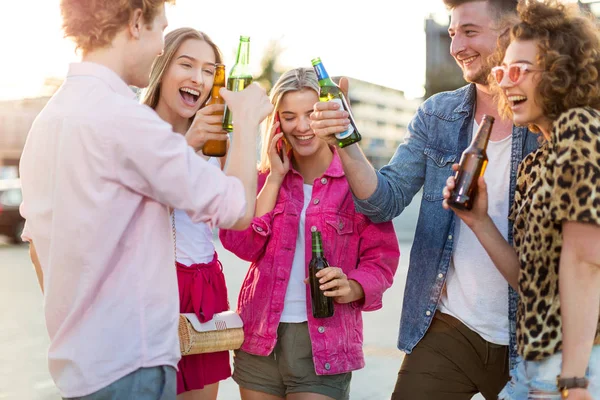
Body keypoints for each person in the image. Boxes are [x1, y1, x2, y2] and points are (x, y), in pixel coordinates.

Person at [18, 1, 272, 398]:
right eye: (160, 31)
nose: (158, 48)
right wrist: (243, 121)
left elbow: (38, 248)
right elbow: (238, 209)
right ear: (136, 22)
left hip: (83, 365)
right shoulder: (127, 122)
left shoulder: (49, 121)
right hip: (131, 364)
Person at [310, 0, 539, 398]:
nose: (456, 47)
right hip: (450, 327)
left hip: (533, 337)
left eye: (469, 31)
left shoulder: (549, 119)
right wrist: (344, 141)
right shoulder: (438, 114)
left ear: (511, 31)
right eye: (452, 34)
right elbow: (385, 200)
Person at [442, 1, 600, 398]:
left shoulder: (581, 128)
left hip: (577, 366)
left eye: (519, 71)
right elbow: (530, 283)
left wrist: (575, 379)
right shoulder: (534, 163)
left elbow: (586, 261)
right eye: (501, 72)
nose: (506, 84)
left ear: (561, 71)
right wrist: (478, 220)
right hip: (535, 365)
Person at [219, 68, 400, 400]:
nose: (301, 127)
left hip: (326, 346)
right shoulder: (265, 180)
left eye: (311, 115)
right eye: (289, 116)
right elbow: (241, 243)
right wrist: (274, 178)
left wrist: (354, 285)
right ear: (276, 122)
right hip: (259, 337)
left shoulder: (356, 183)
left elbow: (382, 259)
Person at [141, 27, 233, 400]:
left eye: (209, 70)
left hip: (203, 285)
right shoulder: (135, 128)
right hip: (146, 283)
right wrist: (186, 146)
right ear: (161, 68)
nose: (199, 78)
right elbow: (131, 211)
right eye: (187, 64)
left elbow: (238, 221)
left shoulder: (219, 143)